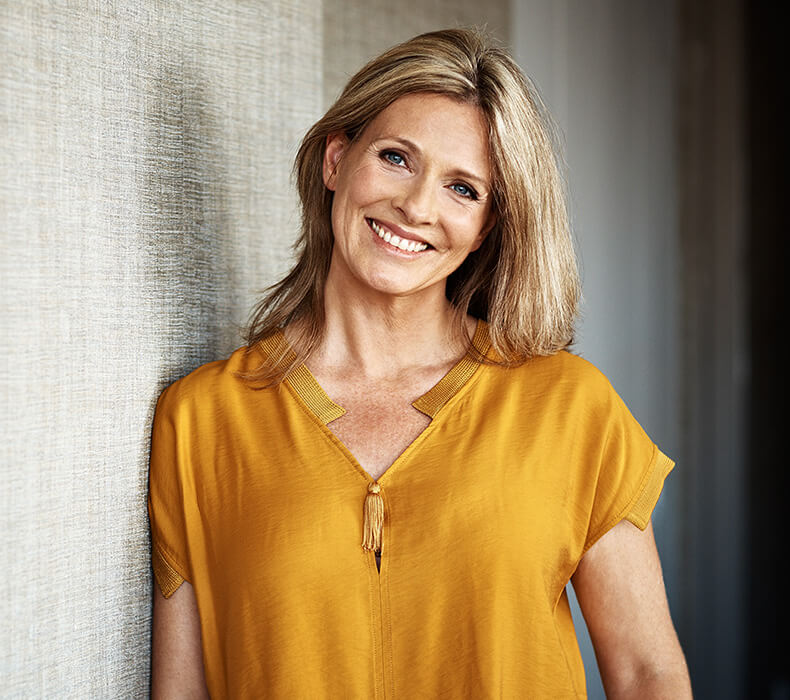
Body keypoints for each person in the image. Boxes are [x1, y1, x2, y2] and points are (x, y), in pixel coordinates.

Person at [149, 28, 691, 699]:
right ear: (336, 161)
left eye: (463, 189)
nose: (417, 206)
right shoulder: (202, 418)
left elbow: (646, 676)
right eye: (397, 158)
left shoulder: (570, 407)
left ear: (488, 224)